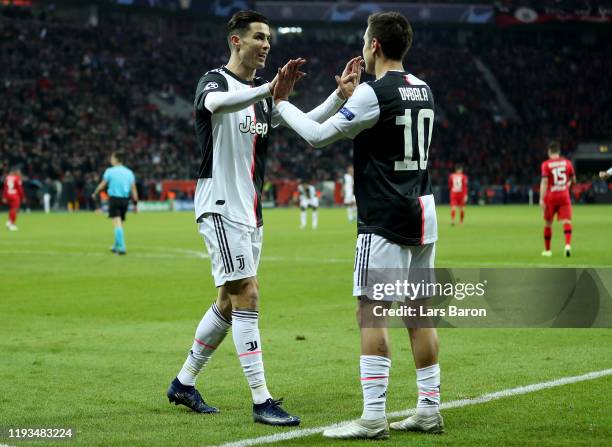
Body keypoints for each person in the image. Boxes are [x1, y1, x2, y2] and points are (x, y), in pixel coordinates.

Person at [166, 10, 361, 426]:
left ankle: (184, 383)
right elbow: (215, 104)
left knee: (228, 299)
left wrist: (340, 96)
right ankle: (261, 400)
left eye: (269, 37)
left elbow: (302, 122)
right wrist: (268, 90)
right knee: (248, 295)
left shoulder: (258, 95)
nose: (267, 44)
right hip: (219, 205)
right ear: (236, 41)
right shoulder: (215, 80)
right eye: (259, 37)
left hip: (250, 212)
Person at [273, 11, 442, 439]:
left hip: (384, 217)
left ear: (376, 46)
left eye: (366, 40)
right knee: (420, 315)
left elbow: (316, 135)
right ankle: (428, 409)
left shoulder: (373, 92)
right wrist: (351, 98)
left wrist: (281, 104)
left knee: (372, 314)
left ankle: (372, 417)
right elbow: (384, 129)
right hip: (422, 212)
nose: (364, 46)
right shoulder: (423, 89)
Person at [91, 152, 138, 255]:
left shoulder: (110, 171)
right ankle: (115, 245)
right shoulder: (129, 172)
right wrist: (135, 204)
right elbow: (134, 189)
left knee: (116, 224)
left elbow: (103, 184)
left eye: (112, 158)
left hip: (114, 199)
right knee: (120, 224)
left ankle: (122, 247)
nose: (110, 160)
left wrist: (95, 192)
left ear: (116, 159)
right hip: (125, 200)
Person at [539, 141, 575, 258]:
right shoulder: (567, 163)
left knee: (548, 223)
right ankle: (568, 245)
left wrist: (541, 199)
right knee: (567, 221)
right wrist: (568, 184)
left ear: (549, 152)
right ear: (559, 152)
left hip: (551, 197)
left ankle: (548, 251)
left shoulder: (545, 164)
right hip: (564, 196)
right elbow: (573, 179)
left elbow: (544, 182)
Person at [3, 167, 25, 231]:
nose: (20, 173)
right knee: (15, 210)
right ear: (15, 172)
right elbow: (20, 189)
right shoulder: (17, 178)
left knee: (12, 209)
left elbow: (5, 188)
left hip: (8, 195)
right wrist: (23, 197)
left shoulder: (7, 177)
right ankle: (11, 224)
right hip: (15, 195)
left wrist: (4, 196)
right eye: (19, 172)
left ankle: (9, 222)